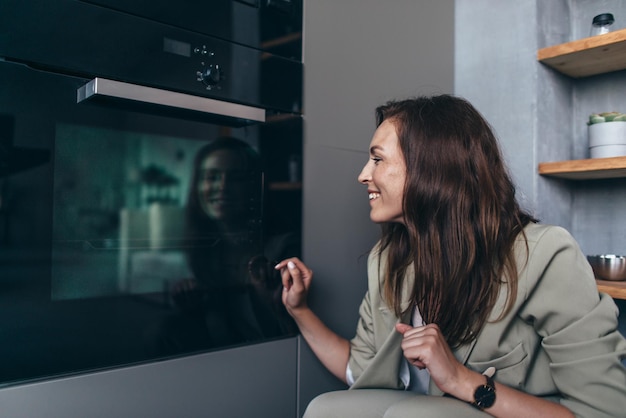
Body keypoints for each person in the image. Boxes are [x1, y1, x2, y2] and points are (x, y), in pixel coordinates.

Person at [275, 95, 626, 417]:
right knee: (327, 409)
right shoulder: (388, 258)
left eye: (378, 159)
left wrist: (459, 378)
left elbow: (605, 412)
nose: (363, 175)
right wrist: (300, 310)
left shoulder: (545, 254)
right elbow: (363, 367)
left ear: (430, 168)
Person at [154, 137, 296, 355]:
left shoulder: (283, 250)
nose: (222, 187)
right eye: (211, 177)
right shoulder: (206, 251)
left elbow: (296, 339)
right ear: (197, 186)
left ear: (254, 187)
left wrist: (274, 303)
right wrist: (192, 307)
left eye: (236, 178)